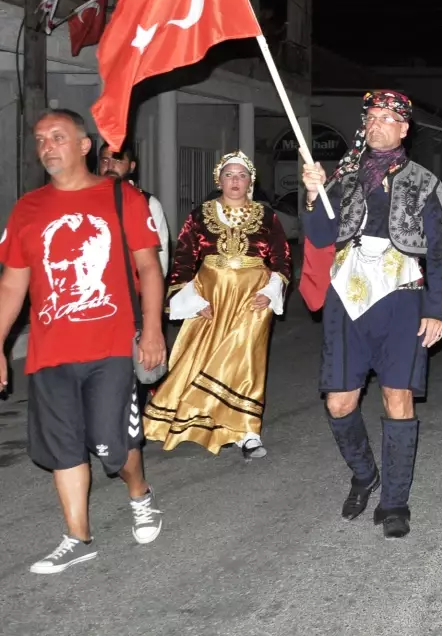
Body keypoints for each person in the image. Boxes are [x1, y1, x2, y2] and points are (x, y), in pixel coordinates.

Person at [0, 109, 165, 574]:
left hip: (111, 347)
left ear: (84, 145)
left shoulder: (120, 197)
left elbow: (149, 267)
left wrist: (151, 330)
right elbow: (13, 284)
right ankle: (78, 537)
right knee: (64, 446)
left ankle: (140, 493)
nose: (47, 146)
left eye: (58, 137)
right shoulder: (28, 209)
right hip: (50, 351)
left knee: (112, 446)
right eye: (40, 139)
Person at [299, 90, 442, 538]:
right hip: (347, 300)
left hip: (403, 300)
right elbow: (319, 233)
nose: (377, 124)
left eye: (388, 118)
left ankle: (394, 502)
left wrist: (438, 308)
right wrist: (314, 194)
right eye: (372, 116)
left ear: (404, 128)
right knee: (339, 402)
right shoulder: (343, 178)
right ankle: (365, 474)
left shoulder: (423, 181)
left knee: (397, 399)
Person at [143, 151, 291, 460]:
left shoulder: (267, 216)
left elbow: (281, 258)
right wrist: (191, 300)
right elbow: (183, 259)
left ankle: (247, 430)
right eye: (229, 175)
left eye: (241, 175)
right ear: (219, 180)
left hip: (253, 297)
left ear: (250, 181)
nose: (235, 181)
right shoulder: (200, 215)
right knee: (204, 358)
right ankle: (207, 419)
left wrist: (272, 289)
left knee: (246, 357)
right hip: (210, 297)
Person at [98, 142, 171, 275]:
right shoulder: (90, 201)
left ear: (131, 167)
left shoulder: (148, 203)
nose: (110, 166)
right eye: (105, 160)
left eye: (118, 160)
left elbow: (160, 262)